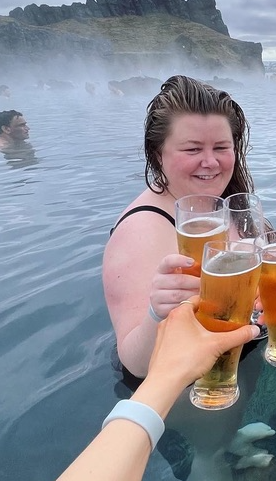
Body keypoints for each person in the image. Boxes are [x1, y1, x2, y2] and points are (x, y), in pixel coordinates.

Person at [103, 75, 255, 377]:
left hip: (240, 360)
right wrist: (156, 313)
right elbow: (135, 364)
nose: (210, 162)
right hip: (191, 391)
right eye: (193, 149)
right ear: (158, 154)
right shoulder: (142, 230)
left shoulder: (226, 202)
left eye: (221, 147)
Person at [56, 299, 261, 481]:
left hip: (167, 385)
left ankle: (225, 444)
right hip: (167, 385)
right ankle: (211, 459)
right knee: (208, 452)